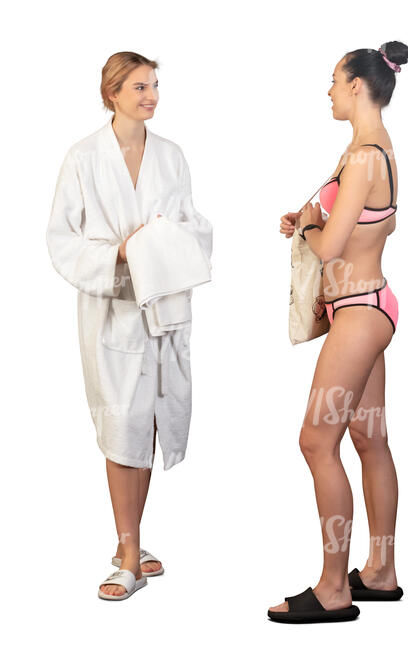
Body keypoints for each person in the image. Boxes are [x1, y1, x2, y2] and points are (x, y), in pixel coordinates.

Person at [46, 51, 212, 601]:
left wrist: (163, 243)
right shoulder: (83, 157)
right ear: (111, 92)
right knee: (122, 429)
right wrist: (122, 252)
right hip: (113, 309)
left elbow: (193, 226)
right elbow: (62, 238)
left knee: (149, 424)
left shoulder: (171, 155)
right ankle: (128, 555)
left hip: (163, 309)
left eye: (155, 86)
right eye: (140, 86)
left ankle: (132, 545)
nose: (152, 96)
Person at [268, 41, 408, 623]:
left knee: (315, 442)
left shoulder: (363, 158)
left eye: (333, 80)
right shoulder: (374, 151)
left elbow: (328, 247)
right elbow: (375, 226)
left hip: (358, 314)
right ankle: (379, 573)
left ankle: (333, 588)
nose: (327, 90)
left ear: (357, 85)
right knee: (369, 441)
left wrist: (307, 229)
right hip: (371, 307)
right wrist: (312, 222)